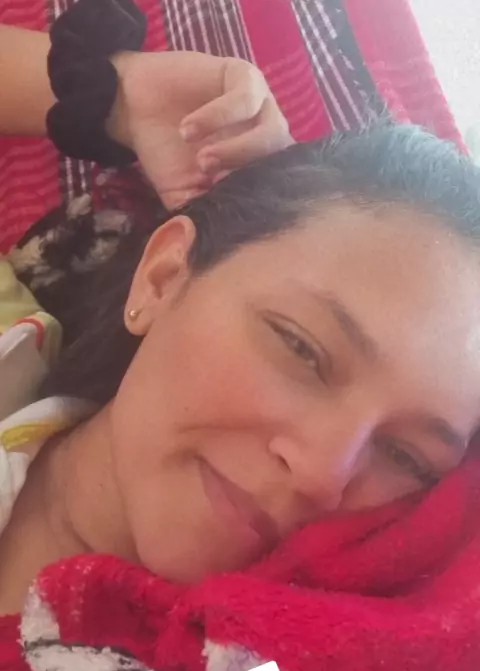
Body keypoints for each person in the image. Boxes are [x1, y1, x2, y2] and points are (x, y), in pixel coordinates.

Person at [1, 119, 480, 618]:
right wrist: (110, 96)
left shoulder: (276, 662)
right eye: (302, 348)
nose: (322, 474)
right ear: (162, 277)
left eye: (406, 457)